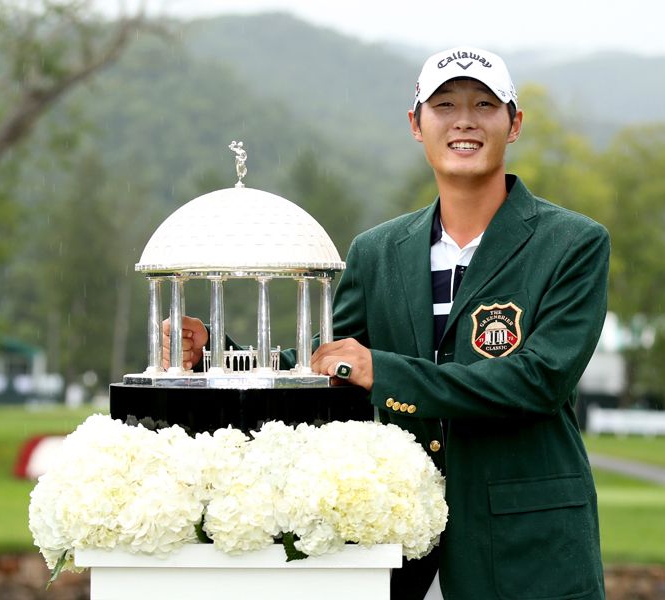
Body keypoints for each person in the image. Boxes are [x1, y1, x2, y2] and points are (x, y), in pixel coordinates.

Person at [164, 46, 608, 600]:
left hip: (528, 543)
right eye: (444, 105)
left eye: (484, 104)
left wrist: (387, 373)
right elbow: (331, 367)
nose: (464, 120)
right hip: (396, 544)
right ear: (416, 125)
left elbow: (539, 381)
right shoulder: (376, 251)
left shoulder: (573, 243)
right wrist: (215, 356)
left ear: (513, 124)